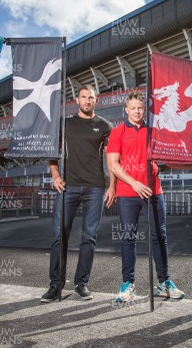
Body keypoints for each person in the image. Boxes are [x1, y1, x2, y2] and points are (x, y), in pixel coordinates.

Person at [106, 90, 192, 302]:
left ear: (144, 109)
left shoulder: (154, 131)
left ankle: (164, 283)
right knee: (128, 238)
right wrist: (135, 183)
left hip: (154, 191)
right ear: (126, 110)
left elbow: (167, 158)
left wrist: (189, 164)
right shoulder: (118, 132)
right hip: (128, 192)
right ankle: (127, 284)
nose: (137, 111)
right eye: (133, 108)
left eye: (140, 108)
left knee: (160, 237)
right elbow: (113, 164)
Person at [40, 85, 114, 303]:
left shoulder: (105, 126)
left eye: (91, 98)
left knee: (89, 237)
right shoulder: (66, 124)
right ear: (77, 99)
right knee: (58, 236)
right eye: (84, 97)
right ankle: (55, 285)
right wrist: (55, 175)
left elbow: (111, 160)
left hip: (96, 187)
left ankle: (81, 283)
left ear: (96, 101)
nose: (87, 101)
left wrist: (112, 185)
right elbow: (51, 151)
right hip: (68, 186)